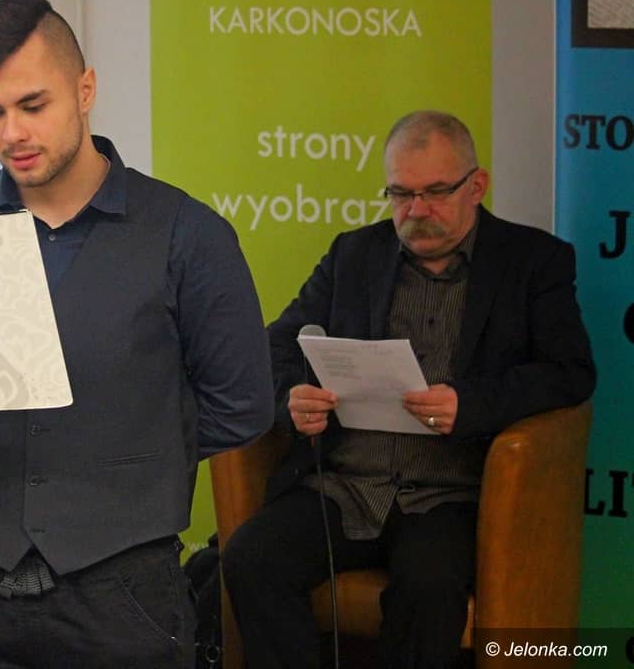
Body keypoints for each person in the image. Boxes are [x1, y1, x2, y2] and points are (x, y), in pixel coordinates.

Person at [0, 0, 275, 669]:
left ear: (85, 90)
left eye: (33, 105)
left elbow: (243, 405)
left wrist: (132, 458)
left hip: (124, 594)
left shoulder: (187, 234)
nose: (12, 134)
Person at [221, 110, 596, 669]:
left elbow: (570, 372)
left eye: (435, 193)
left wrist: (470, 404)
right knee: (250, 558)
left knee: (430, 587)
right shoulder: (354, 255)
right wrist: (292, 398)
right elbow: (275, 346)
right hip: (346, 485)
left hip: (450, 492)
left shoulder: (532, 262)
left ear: (476, 186)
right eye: (400, 194)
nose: (416, 211)